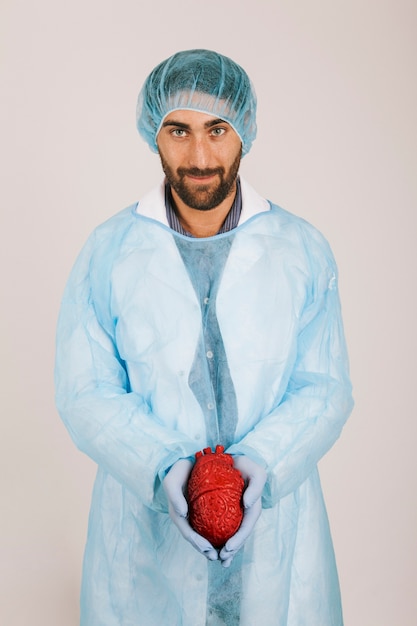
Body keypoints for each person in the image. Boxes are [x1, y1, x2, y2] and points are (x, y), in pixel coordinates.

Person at [55, 49, 354, 626]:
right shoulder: (110, 252)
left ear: (244, 133)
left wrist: (263, 462)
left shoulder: (301, 250)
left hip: (274, 536)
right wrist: (160, 464)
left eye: (217, 130)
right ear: (154, 135)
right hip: (145, 545)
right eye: (178, 130)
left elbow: (326, 387)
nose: (199, 156)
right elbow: (83, 390)